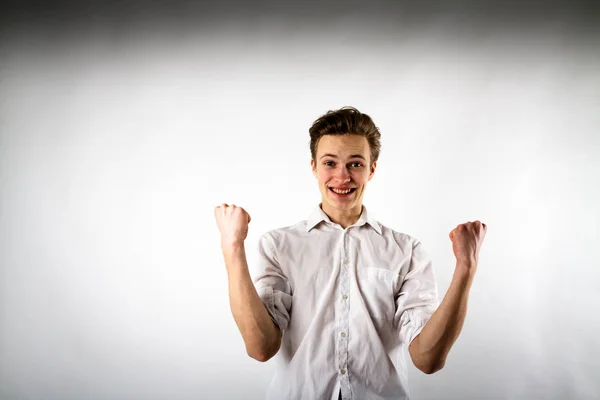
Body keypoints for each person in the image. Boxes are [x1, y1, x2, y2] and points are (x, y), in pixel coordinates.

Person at [214, 107, 487, 400]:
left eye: (355, 164)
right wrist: (233, 248)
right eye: (330, 163)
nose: (342, 176)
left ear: (371, 169)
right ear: (314, 167)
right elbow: (260, 348)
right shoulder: (278, 246)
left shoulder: (407, 251)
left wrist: (466, 268)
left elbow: (428, 360)